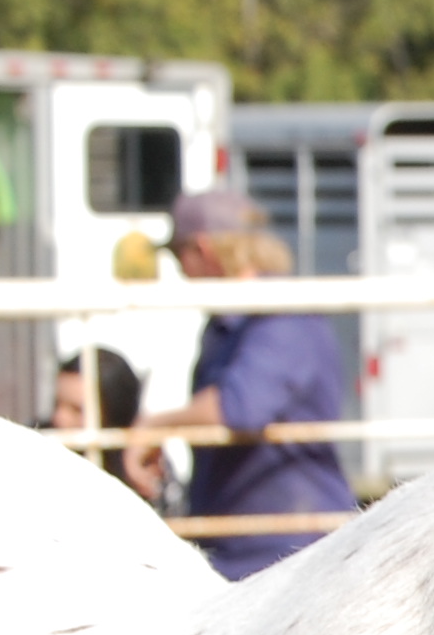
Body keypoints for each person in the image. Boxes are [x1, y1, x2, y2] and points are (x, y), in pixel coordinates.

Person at [124, 189, 357, 579]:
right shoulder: (232, 323)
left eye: (180, 256)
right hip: (251, 544)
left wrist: (154, 426)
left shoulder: (283, 315)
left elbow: (238, 408)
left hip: (289, 551)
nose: (181, 272)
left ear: (203, 250)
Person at [51, 348, 150, 492]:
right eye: (56, 404)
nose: (59, 418)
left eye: (77, 410)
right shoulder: (36, 444)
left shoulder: (145, 465)